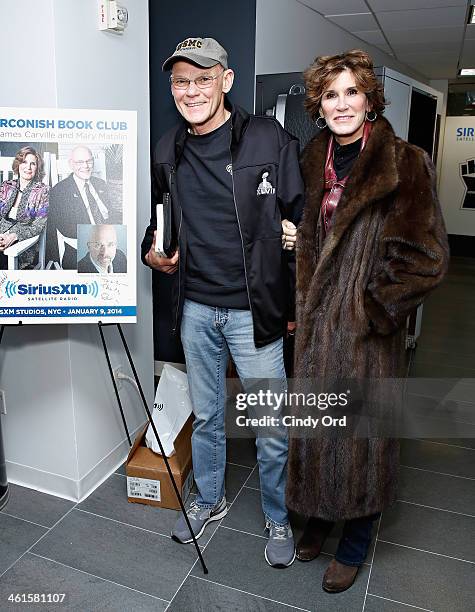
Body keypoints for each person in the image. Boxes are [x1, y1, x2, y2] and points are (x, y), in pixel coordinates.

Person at [286, 50, 449, 593]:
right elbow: (316, 240)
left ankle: (354, 541)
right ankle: (318, 516)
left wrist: (372, 310)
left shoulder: (405, 162)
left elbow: (426, 259)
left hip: (364, 336)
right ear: (319, 104)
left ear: (370, 98)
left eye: (351, 92)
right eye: (331, 94)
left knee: (360, 440)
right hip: (314, 330)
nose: (341, 104)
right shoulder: (312, 158)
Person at [141, 37, 304, 568]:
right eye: (181, 81)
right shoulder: (167, 148)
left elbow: (302, 218)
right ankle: (209, 500)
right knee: (209, 416)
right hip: (194, 307)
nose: (192, 90)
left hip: (253, 311)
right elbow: (159, 222)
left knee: (270, 423)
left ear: (226, 81)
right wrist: (151, 252)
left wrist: (294, 265)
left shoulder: (268, 139)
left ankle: (278, 516)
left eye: (203, 78)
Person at [46, 145, 118, 269]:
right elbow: (64, 227)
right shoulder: (60, 191)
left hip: (109, 244)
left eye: (89, 161)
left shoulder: (101, 185)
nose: (86, 166)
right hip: (81, 249)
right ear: (71, 164)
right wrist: (97, 237)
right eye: (80, 162)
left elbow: (111, 213)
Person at [0, 146, 49, 269]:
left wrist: (13, 236)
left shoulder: (43, 191)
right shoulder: (6, 186)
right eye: (24, 162)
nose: (28, 167)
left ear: (37, 168)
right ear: (18, 164)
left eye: (33, 164)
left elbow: (38, 226)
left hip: (22, 244)